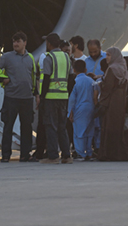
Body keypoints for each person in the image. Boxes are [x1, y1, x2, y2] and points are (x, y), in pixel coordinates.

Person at [0, 31, 38, 163]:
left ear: (25, 43)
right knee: (8, 126)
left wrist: (35, 93)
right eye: (14, 41)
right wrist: (3, 78)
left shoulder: (30, 57)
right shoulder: (7, 57)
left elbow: (33, 76)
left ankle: (25, 155)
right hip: (11, 98)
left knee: (26, 128)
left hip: (27, 98)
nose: (15, 43)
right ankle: (5, 155)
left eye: (18, 41)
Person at [39, 33, 73, 164]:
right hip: (63, 96)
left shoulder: (49, 58)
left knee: (50, 126)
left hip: (51, 97)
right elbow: (71, 78)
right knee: (62, 127)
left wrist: (42, 97)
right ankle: (66, 155)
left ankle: (53, 156)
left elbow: (46, 78)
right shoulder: (66, 57)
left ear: (49, 44)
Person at [97, 47, 128, 161]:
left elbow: (108, 88)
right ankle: (119, 153)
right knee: (117, 127)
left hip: (112, 101)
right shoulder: (123, 68)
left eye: (109, 55)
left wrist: (101, 86)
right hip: (121, 100)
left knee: (109, 126)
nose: (106, 58)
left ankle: (109, 153)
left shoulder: (112, 69)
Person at [68, 60, 95, 161]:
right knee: (89, 131)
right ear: (85, 69)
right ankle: (89, 152)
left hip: (79, 108)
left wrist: (70, 111)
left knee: (79, 132)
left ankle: (80, 153)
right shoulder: (91, 81)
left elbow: (72, 99)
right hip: (91, 107)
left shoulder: (75, 82)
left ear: (74, 70)